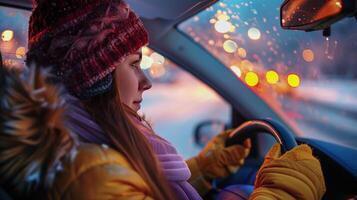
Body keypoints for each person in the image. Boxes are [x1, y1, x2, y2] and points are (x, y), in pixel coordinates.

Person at [0, 0, 326, 199]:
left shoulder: (90, 158)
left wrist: (203, 168)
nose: (146, 83)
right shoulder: (91, 176)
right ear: (93, 77)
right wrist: (285, 192)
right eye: (133, 65)